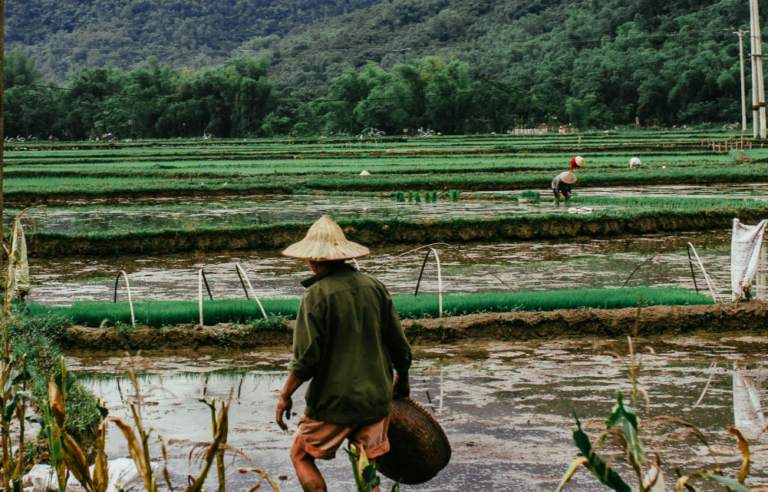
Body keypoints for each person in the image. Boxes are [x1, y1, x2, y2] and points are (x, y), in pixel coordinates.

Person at [275, 215, 412, 492]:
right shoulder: (375, 287)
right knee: (367, 464)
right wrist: (403, 378)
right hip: (376, 398)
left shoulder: (315, 296)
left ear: (313, 260)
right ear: (342, 255)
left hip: (334, 402)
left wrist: (285, 395)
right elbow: (398, 344)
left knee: (300, 455)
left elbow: (306, 361)